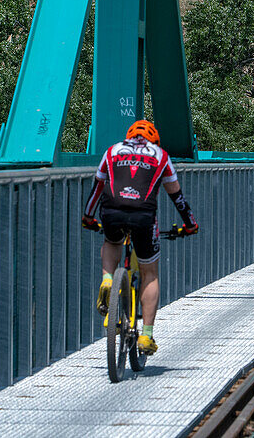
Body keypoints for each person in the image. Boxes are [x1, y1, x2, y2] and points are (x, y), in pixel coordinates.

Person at [82, 119, 198, 356]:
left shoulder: (112, 150)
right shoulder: (160, 156)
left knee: (112, 241)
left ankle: (107, 280)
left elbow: (97, 188)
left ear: (129, 136)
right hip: (144, 217)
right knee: (150, 274)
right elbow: (178, 197)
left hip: (112, 211)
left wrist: (87, 217)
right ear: (153, 140)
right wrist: (190, 224)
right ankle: (146, 335)